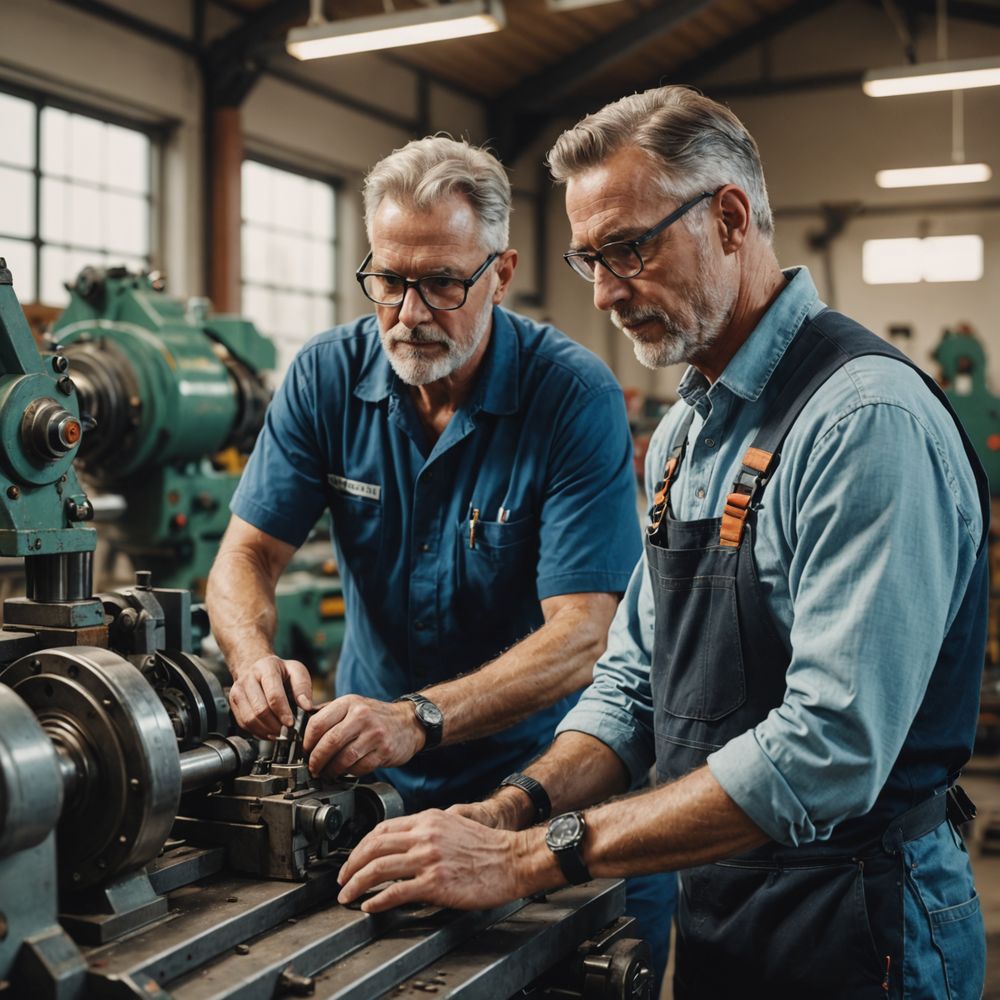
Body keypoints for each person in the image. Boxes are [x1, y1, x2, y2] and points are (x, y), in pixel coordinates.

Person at [335, 88, 990, 999]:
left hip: (861, 913)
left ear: (728, 218)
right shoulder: (688, 432)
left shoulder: (861, 422)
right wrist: (507, 806)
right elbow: (636, 682)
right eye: (588, 259)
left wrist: (529, 858)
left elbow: (827, 750)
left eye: (628, 249)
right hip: (720, 893)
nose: (603, 293)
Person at [206, 136, 675, 981]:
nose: (411, 313)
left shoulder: (571, 395)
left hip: (544, 786)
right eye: (389, 280)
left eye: (443, 283)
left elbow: (585, 634)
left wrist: (415, 717)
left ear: (501, 271)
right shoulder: (325, 377)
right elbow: (246, 556)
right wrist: (252, 661)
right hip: (370, 789)